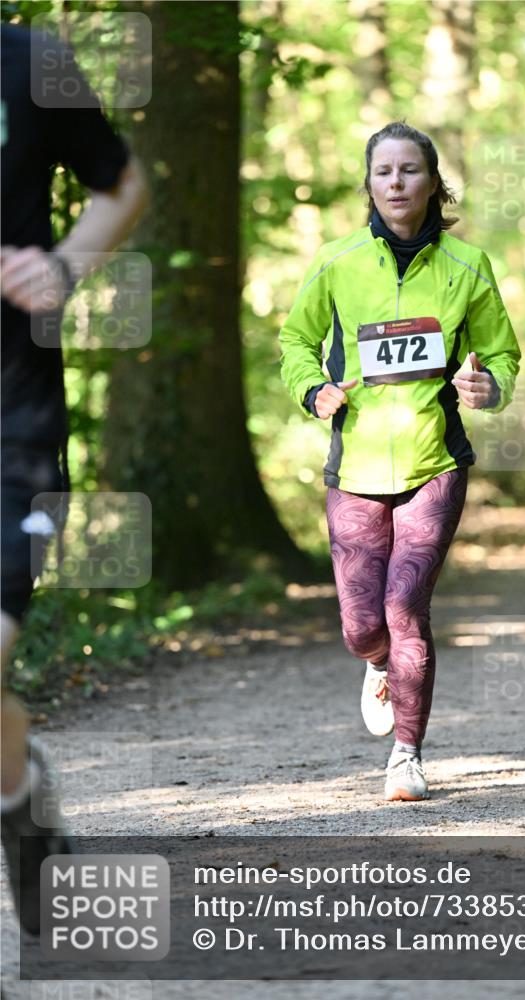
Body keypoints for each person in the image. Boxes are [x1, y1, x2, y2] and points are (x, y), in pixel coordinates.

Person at [279, 121, 520, 801]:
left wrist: (486, 384)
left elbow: (501, 352)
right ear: (368, 183)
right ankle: (377, 661)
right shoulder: (335, 260)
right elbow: (294, 341)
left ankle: (406, 755)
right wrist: (312, 389)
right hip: (352, 467)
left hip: (431, 463)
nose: (396, 183)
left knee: (405, 605)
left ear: (433, 182)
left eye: (409, 170)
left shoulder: (468, 266)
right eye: (383, 171)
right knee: (363, 627)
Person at [1, 23, 148, 932]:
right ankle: (20, 793)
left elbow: (122, 184)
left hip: (8, 428)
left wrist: (62, 265)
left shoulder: (32, 61)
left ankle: (17, 806)